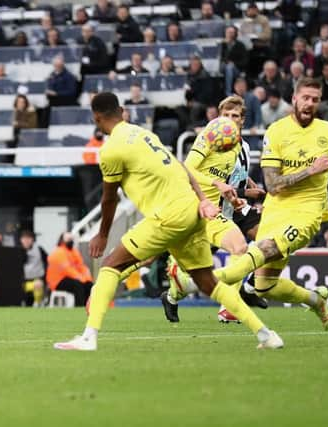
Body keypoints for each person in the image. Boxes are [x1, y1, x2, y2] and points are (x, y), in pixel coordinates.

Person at [54, 93, 282, 351]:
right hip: (192, 209)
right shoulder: (143, 134)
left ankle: (88, 337)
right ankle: (265, 334)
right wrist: (202, 200)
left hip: (169, 214)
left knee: (110, 266)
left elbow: (109, 199)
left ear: (96, 118)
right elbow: (181, 167)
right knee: (208, 283)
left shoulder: (110, 149)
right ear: (122, 111)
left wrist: (103, 234)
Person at [213, 77, 328, 331]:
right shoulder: (276, 131)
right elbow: (272, 184)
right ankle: (315, 300)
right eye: (305, 98)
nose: (309, 103)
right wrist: (311, 170)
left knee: (266, 247)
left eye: (315, 99)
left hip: (308, 212)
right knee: (264, 286)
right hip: (276, 209)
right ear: (294, 99)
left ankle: (205, 280)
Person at [160, 96, 268, 324]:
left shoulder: (242, 146)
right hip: (203, 208)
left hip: (231, 208)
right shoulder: (209, 138)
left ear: (243, 120)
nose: (229, 120)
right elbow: (188, 169)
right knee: (186, 270)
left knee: (267, 237)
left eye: (235, 116)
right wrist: (227, 187)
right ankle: (171, 295)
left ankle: (243, 293)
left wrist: (246, 182)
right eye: (225, 115)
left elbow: (230, 176)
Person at [46, 232, 93, 307]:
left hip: (72, 278)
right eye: (68, 239)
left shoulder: (74, 252)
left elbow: (82, 266)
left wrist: (87, 278)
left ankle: (89, 307)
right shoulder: (58, 252)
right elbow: (67, 270)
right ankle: (79, 307)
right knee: (78, 285)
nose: (71, 241)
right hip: (57, 281)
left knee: (89, 285)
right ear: (62, 240)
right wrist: (82, 278)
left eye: (71, 239)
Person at [20, 230, 47, 307]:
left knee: (38, 284)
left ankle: (37, 304)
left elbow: (47, 262)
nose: (26, 241)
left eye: (28, 238)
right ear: (21, 240)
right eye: (24, 238)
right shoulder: (18, 251)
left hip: (38, 279)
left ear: (32, 240)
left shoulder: (39, 250)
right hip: (23, 282)